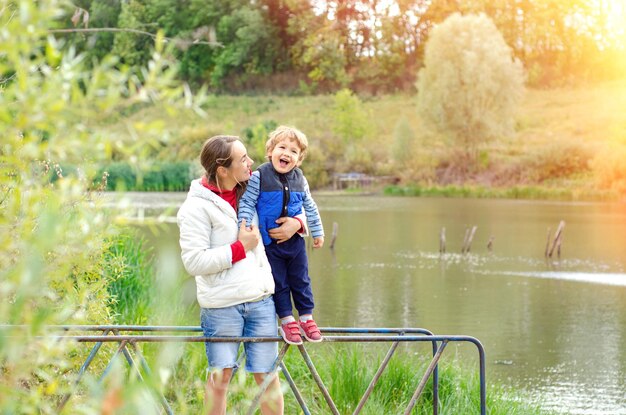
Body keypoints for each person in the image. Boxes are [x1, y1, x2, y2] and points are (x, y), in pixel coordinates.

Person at [177, 135, 301, 415]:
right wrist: (240, 248)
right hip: (221, 307)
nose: (251, 163)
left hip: (260, 301)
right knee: (220, 380)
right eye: (243, 159)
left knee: (268, 379)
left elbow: (294, 198)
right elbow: (194, 262)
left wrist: (297, 222)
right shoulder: (195, 208)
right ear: (222, 170)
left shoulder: (252, 189)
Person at [238, 126, 324, 346]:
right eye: (282, 147)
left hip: (295, 242)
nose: (287, 153)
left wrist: (317, 231)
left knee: (302, 279)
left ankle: (306, 318)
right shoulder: (259, 176)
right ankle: (287, 320)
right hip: (270, 243)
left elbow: (310, 206)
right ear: (271, 151)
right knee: (280, 282)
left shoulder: (300, 179)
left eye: (294, 151)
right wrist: (244, 226)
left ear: (299, 159)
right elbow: (247, 202)